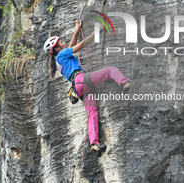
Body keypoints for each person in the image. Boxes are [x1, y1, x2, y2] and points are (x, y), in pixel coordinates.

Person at [43, 20, 130, 153]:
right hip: (82, 80)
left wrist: (77, 31)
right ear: (57, 48)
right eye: (60, 42)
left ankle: (94, 143)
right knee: (110, 70)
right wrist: (97, 31)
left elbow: (71, 47)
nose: (63, 42)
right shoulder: (61, 54)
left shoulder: (59, 59)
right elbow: (81, 45)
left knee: (92, 112)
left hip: (78, 88)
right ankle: (125, 83)